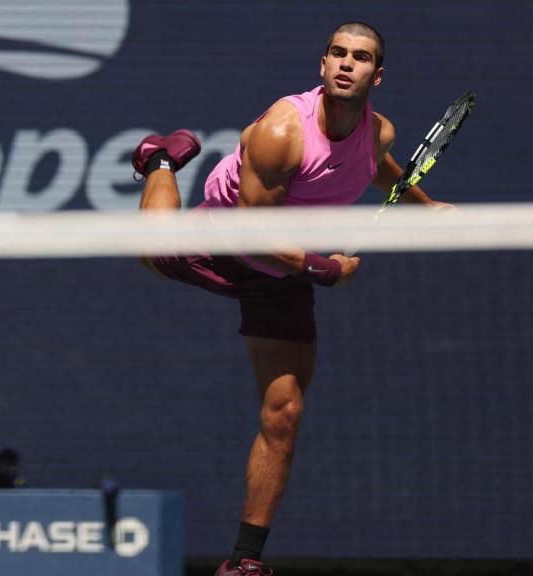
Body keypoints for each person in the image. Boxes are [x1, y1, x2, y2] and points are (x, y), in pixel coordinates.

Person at [131, 22, 452, 576]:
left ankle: (244, 561)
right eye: (337, 53)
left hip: (280, 275)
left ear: (378, 74)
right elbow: (253, 232)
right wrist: (324, 267)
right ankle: (160, 159)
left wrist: (426, 205)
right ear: (322, 65)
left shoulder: (379, 133)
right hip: (226, 243)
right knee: (146, 249)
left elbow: (380, 168)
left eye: (361, 57)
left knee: (285, 410)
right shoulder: (283, 130)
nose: (347, 63)